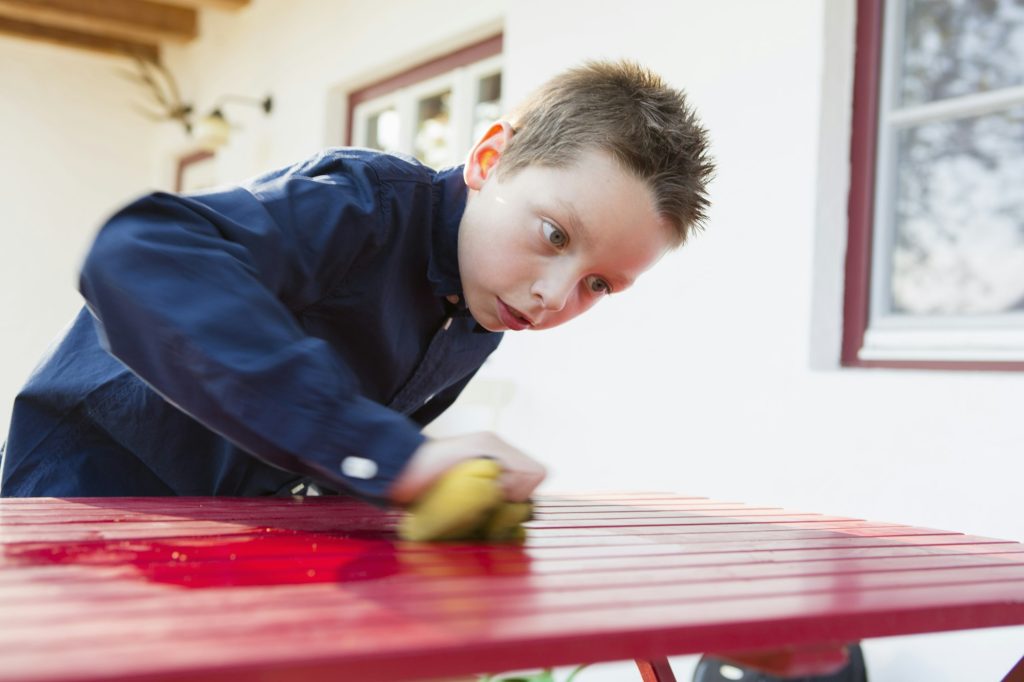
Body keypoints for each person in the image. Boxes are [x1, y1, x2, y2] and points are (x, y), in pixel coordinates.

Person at [0, 60, 714, 509]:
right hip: (81, 497)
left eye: (598, 284)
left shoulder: (484, 308)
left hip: (216, 529)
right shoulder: (358, 206)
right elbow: (138, 251)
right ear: (491, 158)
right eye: (554, 235)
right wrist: (393, 456)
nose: (553, 297)